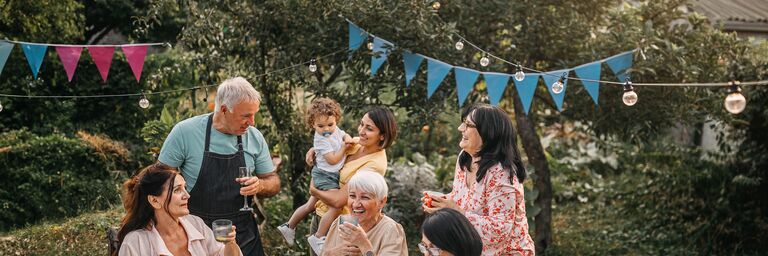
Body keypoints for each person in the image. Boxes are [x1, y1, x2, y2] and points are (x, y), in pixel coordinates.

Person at [158, 77, 280, 255]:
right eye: (246, 115)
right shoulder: (185, 132)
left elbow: (273, 181)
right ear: (224, 110)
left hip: (243, 233)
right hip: (196, 233)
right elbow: (159, 179)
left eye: (254, 114)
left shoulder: (254, 137)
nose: (252, 122)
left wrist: (260, 185)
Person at [422, 103, 535, 256]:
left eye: (468, 125)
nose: (460, 128)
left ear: (488, 132)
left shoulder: (501, 172)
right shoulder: (465, 158)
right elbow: (464, 200)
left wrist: (457, 211)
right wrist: (440, 202)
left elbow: (500, 230)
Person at [305, 106, 397, 255]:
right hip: (321, 214)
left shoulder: (374, 165)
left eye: (369, 128)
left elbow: (339, 201)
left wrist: (314, 191)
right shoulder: (357, 143)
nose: (361, 131)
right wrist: (314, 150)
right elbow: (330, 148)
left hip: (340, 225)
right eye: (361, 124)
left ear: (382, 135)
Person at [116, 163, 242, 256]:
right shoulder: (135, 243)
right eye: (177, 190)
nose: (187, 195)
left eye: (185, 188)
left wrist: (230, 243)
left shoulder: (196, 224)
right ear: (155, 201)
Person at [278, 98, 353, 249]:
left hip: (325, 173)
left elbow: (344, 135)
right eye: (320, 126)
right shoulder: (320, 140)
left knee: (310, 205)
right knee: (336, 207)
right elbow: (332, 160)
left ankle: (289, 226)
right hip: (326, 175)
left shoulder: (335, 130)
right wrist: (344, 148)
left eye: (330, 124)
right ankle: (318, 237)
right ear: (312, 124)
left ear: (336, 120)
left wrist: (347, 139)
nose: (326, 129)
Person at [322, 170, 408, 256]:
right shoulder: (340, 223)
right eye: (352, 196)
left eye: (365, 197)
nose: (355, 204)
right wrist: (332, 253)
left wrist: (364, 245)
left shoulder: (390, 230)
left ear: (381, 202)